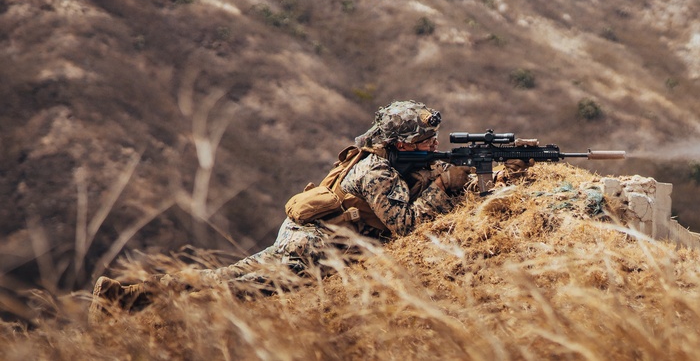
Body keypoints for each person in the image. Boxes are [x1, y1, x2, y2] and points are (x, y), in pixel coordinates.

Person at [90, 100, 471, 316]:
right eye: (423, 140)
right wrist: (442, 186)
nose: (431, 144)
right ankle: (157, 314)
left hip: (299, 237)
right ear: (400, 144)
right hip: (318, 252)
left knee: (222, 275)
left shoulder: (375, 157)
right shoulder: (378, 172)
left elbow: (426, 172)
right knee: (241, 290)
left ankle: (127, 295)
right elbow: (406, 226)